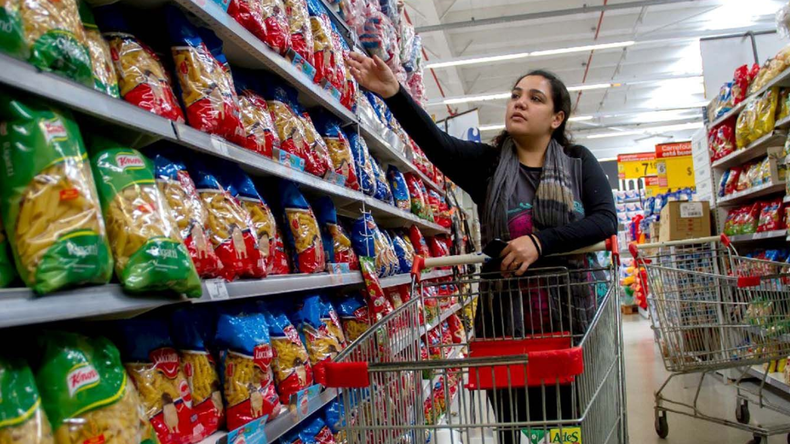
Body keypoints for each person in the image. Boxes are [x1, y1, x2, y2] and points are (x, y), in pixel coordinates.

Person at [348, 53, 617, 443]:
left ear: (557, 119)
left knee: (571, 427)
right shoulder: (488, 166)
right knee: (514, 430)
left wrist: (540, 242)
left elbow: (605, 220)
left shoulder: (578, 162)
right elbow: (438, 146)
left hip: (572, 329)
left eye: (535, 98)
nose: (520, 102)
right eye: (515, 95)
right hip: (504, 330)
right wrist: (393, 93)